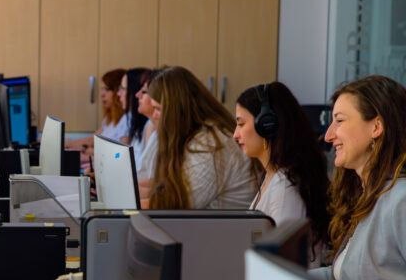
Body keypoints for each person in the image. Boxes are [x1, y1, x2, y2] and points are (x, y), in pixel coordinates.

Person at [316, 75, 406, 280]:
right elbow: (343, 278)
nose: (329, 135)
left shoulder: (401, 200)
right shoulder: (369, 194)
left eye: (340, 121)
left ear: (376, 127)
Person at [233, 82, 330, 261]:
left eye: (241, 124)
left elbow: (283, 258)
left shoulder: (284, 188)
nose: (235, 135)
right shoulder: (273, 176)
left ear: (266, 125)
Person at [147, 66, 258, 209]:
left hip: (220, 224)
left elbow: (172, 206)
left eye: (158, 109)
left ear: (176, 110)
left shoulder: (211, 145)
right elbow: (166, 191)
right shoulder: (201, 135)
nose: (154, 115)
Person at [70, 68, 128, 167]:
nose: (102, 94)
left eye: (107, 89)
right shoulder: (109, 119)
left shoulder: (126, 120)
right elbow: (91, 139)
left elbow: (120, 156)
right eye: (102, 89)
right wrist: (66, 146)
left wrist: (89, 151)